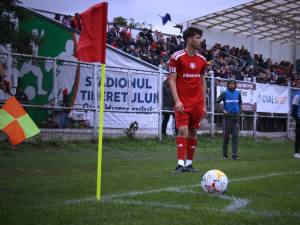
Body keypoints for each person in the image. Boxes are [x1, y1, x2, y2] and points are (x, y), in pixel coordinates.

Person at [168, 27, 207, 173]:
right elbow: (171, 80)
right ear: (189, 39)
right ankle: (180, 164)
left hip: (197, 103)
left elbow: (203, 82)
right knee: (183, 130)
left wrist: (203, 104)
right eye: (197, 37)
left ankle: (189, 164)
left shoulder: (203, 60)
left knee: (193, 132)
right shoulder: (176, 57)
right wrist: (177, 100)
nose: (200, 40)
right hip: (183, 102)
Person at [216, 80, 242, 160]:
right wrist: (222, 110)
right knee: (226, 137)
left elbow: (240, 103)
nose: (232, 85)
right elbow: (217, 102)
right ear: (228, 85)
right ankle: (225, 155)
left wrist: (239, 111)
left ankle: (234, 155)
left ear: (235, 85)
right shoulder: (224, 93)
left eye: (233, 84)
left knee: (235, 137)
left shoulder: (238, 93)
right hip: (227, 119)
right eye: (230, 83)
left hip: (236, 118)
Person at [292, 79, 300, 159]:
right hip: (299, 119)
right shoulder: (297, 96)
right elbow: (293, 112)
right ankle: (296, 153)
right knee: (298, 137)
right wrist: (298, 120)